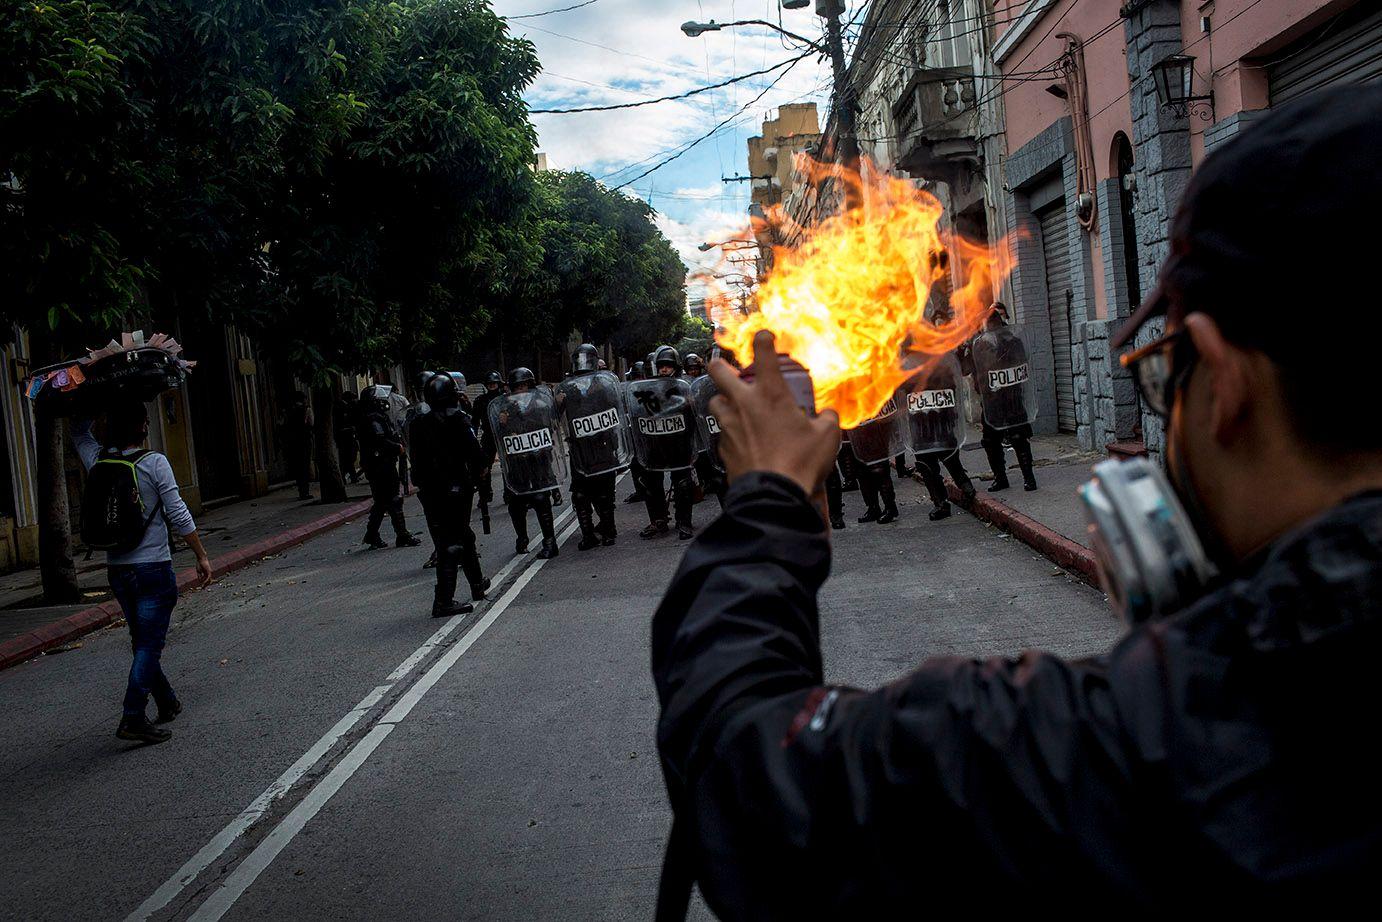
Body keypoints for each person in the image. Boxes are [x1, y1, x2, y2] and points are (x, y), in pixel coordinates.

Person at [651, 88, 1382, 917]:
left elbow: (747, 774)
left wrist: (767, 503)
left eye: (1162, 369)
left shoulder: (1145, 745)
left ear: (1225, 381)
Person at [73, 402, 213, 745]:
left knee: (142, 640)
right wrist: (201, 554)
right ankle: (133, 715)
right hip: (152, 568)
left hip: (118, 571)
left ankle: (165, 700)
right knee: (150, 644)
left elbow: (78, 432)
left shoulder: (98, 460)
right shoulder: (154, 463)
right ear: (141, 428)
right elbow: (177, 513)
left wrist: (98, 397)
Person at [409, 373, 490, 617]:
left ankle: (477, 583)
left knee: (464, 536)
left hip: (430, 492)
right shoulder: (458, 420)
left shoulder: (417, 423)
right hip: (455, 490)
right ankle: (443, 601)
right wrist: (480, 476)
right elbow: (476, 456)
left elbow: (416, 464)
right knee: (452, 543)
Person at [965, 302, 1037, 492]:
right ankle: (1004, 478)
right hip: (992, 400)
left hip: (1009, 397)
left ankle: (1026, 478)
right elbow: (968, 368)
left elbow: (1022, 362)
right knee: (991, 440)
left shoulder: (1011, 340)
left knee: (1017, 437)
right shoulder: (979, 343)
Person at [559, 344, 622, 551]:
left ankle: (608, 530)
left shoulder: (605, 385)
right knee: (579, 495)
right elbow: (553, 417)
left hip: (602, 445)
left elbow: (617, 409)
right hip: (579, 448)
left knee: (604, 493)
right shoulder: (568, 388)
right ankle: (588, 536)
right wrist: (558, 402)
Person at [496, 367, 560, 559]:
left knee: (541, 499)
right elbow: (499, 438)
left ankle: (550, 542)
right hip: (517, 463)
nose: (521, 391)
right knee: (516, 503)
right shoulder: (505, 408)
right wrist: (503, 424)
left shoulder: (540, 404)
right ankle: (522, 538)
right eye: (517, 387)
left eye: (524, 386)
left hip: (538, 460)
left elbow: (551, 425)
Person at [640, 346, 697, 541]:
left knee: (682, 483)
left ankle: (684, 523)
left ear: (676, 366)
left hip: (679, 443)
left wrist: (691, 403)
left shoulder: (685, 386)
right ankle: (658, 519)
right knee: (649, 481)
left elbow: (696, 416)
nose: (664, 369)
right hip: (656, 442)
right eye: (661, 366)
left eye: (668, 365)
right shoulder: (650, 387)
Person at [357, 385, 421, 550]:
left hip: (381, 464)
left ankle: (372, 534)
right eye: (378, 399)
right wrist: (396, 447)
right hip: (380, 465)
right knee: (393, 499)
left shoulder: (375, 417)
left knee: (382, 502)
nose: (382, 401)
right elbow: (380, 440)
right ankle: (402, 535)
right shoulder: (372, 419)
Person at [624, 361, 649, 504]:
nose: (637, 380)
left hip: (649, 434)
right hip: (634, 434)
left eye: (640, 376)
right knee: (634, 463)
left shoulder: (651, 390)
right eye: (635, 377)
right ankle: (640, 491)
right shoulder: (628, 393)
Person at [282, 391, 314, 501]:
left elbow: (283, 425)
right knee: (305, 466)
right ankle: (305, 491)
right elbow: (311, 423)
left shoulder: (288, 411)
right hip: (304, 440)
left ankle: (301, 490)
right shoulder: (306, 409)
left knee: (298, 466)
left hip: (293, 442)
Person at [334, 391, 361, 484]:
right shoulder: (341, 408)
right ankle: (350, 476)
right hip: (344, 437)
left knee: (350, 457)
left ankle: (349, 476)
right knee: (347, 457)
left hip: (348, 436)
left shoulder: (349, 407)